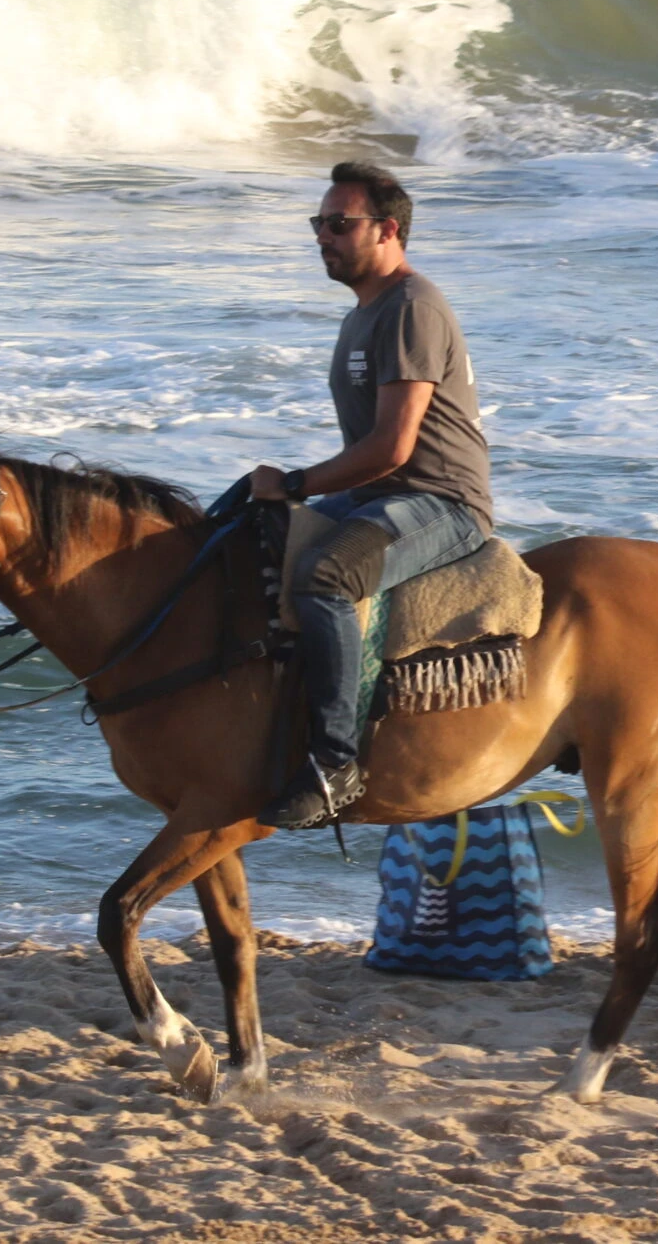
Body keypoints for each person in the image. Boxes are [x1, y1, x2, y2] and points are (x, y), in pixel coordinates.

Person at [251, 161, 496, 829]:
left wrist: (298, 483)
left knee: (327, 576)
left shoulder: (411, 307)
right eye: (318, 223)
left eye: (339, 223)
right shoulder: (362, 313)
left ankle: (336, 761)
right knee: (251, 532)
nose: (322, 236)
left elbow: (393, 448)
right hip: (381, 496)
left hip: (441, 501)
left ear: (387, 229)